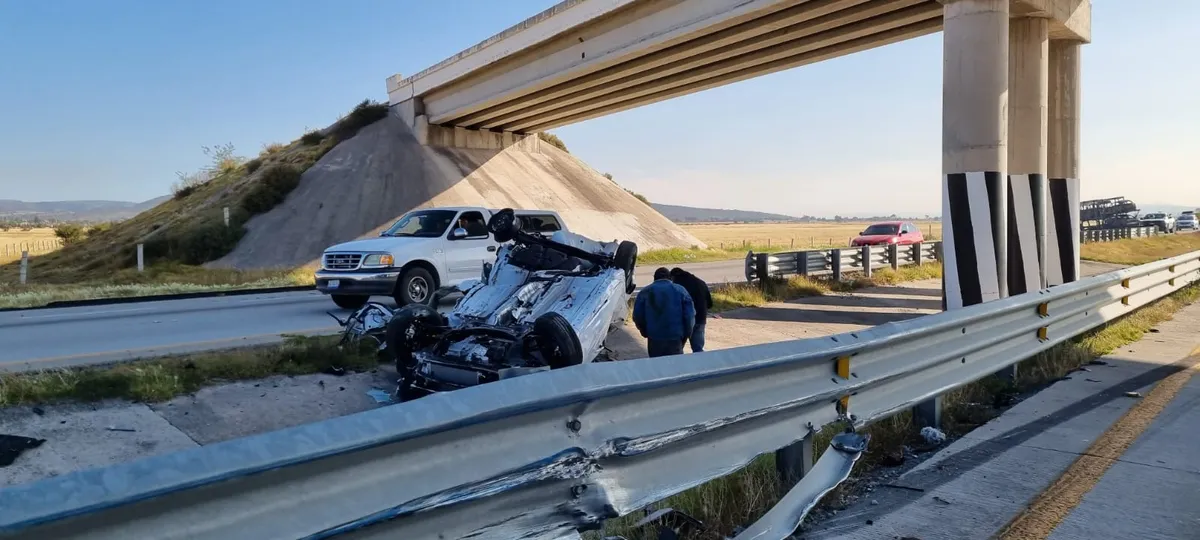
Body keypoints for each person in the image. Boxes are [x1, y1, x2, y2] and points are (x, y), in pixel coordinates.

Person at [633, 267, 695, 357]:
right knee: (675, 366)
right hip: (675, 336)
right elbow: (690, 316)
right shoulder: (681, 290)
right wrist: (688, 333)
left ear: (654, 278)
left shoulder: (645, 292)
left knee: (657, 367)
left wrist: (644, 331)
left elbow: (637, 316)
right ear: (670, 277)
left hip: (654, 337)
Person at [670, 267, 712, 353]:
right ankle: (700, 365)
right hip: (700, 318)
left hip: (684, 321)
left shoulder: (677, 286)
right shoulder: (701, 282)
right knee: (698, 349)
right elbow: (710, 303)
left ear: (673, 277)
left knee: (677, 350)